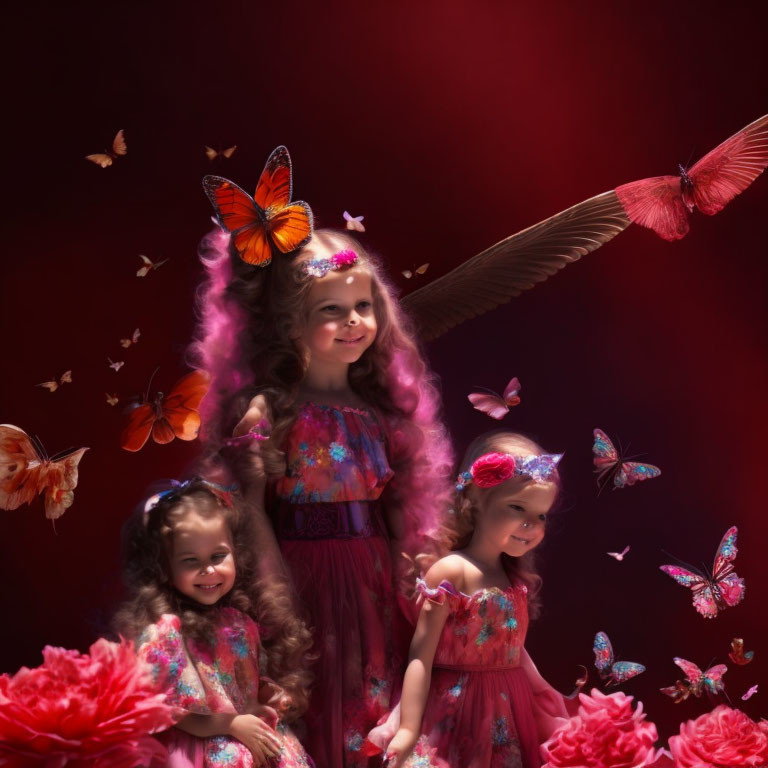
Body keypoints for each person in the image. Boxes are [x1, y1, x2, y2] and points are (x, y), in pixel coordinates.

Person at [191, 223, 454, 768]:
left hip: (374, 581)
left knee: (372, 698)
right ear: (291, 321)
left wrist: (416, 573)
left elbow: (403, 512)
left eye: (363, 304)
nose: (353, 321)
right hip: (301, 577)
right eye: (331, 310)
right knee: (314, 696)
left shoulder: (381, 414)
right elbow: (249, 514)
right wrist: (274, 591)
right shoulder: (271, 410)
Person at [380, 432, 569, 768]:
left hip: (509, 712)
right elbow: (420, 658)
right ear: (477, 500)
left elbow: (515, 651)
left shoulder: (512, 577)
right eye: (517, 508)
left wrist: (546, 695)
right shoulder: (453, 571)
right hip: (460, 711)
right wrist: (408, 728)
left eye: (541, 515)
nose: (532, 525)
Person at [114, 478, 314, 768]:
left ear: (235, 551)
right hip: (208, 749)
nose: (208, 570)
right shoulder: (166, 632)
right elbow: (171, 710)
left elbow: (240, 681)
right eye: (191, 560)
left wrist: (266, 692)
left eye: (218, 556)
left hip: (251, 737)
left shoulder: (240, 623)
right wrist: (230, 724)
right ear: (165, 566)